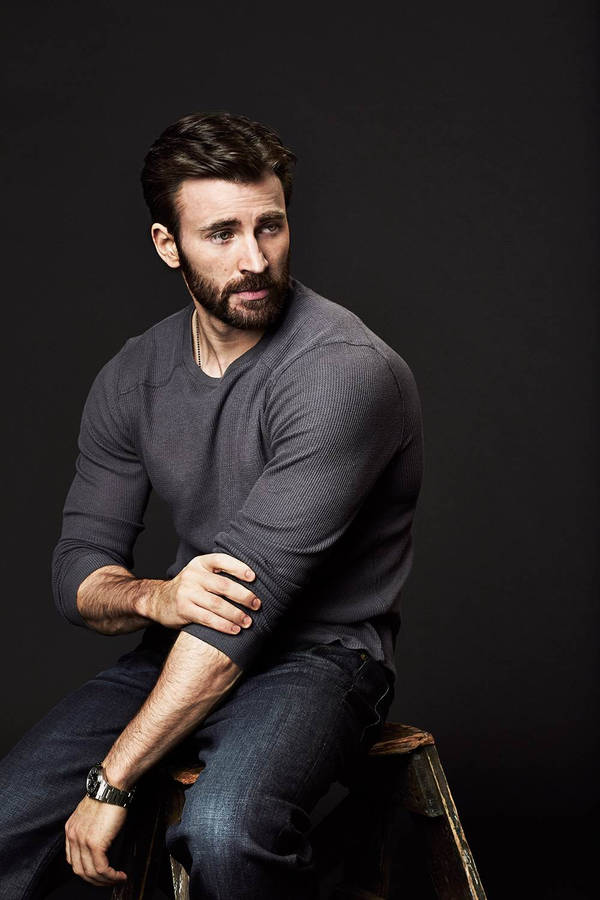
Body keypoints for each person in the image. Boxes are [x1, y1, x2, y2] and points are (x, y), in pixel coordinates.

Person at [0, 111, 424, 899]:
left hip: (322, 659)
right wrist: (155, 597)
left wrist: (112, 781)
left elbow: (241, 616)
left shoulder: (343, 371)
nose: (254, 259)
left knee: (226, 831)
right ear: (169, 245)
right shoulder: (133, 375)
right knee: (6, 819)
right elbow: (76, 572)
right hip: (177, 646)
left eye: (271, 227)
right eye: (222, 234)